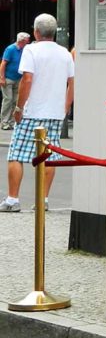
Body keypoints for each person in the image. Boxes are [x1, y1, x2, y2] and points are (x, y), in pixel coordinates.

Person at [0, 15, 75, 213]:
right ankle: (43, 200)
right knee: (47, 155)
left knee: (16, 153)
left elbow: (27, 79)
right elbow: (71, 83)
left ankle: (13, 199)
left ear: (36, 32)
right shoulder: (65, 53)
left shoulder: (31, 50)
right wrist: (65, 108)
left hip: (32, 111)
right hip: (54, 112)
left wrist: (19, 108)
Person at [0, 32, 31, 130]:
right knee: (8, 100)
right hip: (8, 78)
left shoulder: (24, 49)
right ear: (21, 41)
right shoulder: (10, 49)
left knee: (16, 101)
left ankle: (13, 121)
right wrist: (2, 77)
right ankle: (4, 122)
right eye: (26, 41)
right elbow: (3, 63)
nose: (28, 43)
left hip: (18, 78)